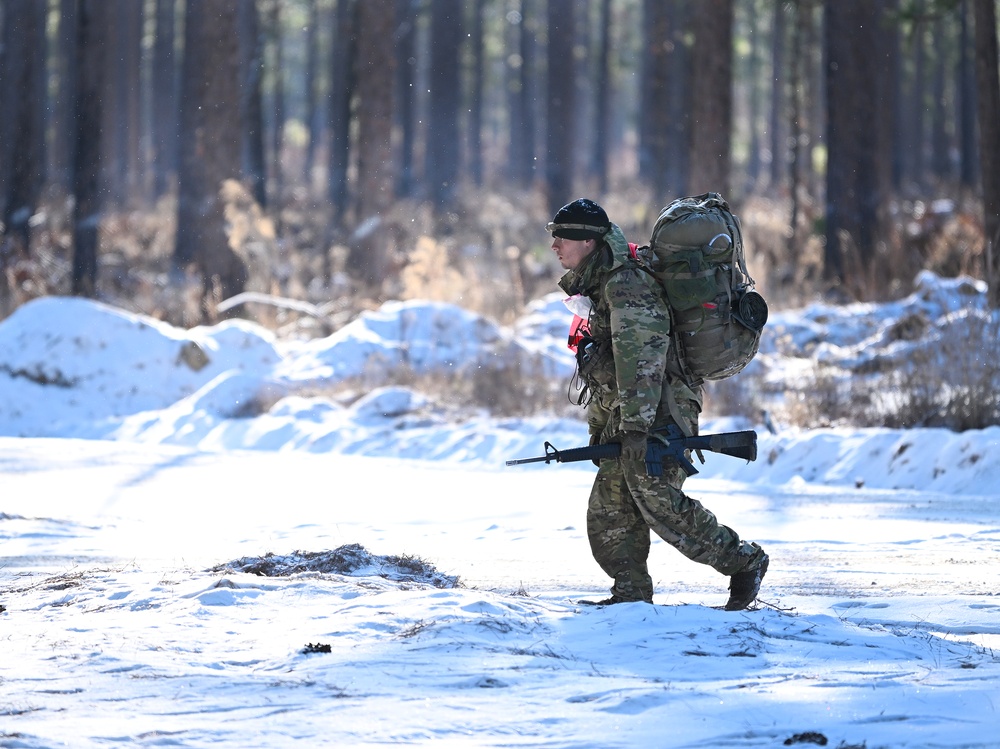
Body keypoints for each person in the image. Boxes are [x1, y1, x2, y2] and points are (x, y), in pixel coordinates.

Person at [548, 197, 768, 611]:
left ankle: (745, 562)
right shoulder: (599, 279)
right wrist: (605, 425)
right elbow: (607, 361)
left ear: (589, 242)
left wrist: (634, 428)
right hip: (631, 412)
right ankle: (630, 593)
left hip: (658, 410)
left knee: (660, 502)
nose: (555, 245)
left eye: (562, 237)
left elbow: (642, 359)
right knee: (611, 507)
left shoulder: (625, 284)